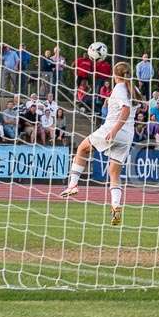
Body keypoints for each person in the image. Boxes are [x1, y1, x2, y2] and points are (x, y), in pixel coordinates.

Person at [60, 62, 135, 226]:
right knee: (114, 173)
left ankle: (72, 185)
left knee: (82, 149)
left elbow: (126, 110)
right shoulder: (132, 90)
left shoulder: (119, 88)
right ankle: (116, 207)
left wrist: (114, 130)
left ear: (115, 75)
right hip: (128, 135)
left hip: (113, 129)